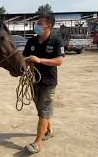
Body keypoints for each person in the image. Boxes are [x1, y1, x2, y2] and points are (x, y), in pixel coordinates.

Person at [23, 14, 65, 153]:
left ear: (49, 26)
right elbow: (24, 57)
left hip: (49, 82)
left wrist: (40, 60)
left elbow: (59, 61)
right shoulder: (32, 41)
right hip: (34, 81)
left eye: (40, 23)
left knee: (44, 111)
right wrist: (27, 61)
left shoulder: (56, 41)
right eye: (37, 23)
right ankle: (49, 130)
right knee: (41, 109)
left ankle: (37, 143)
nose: (37, 26)